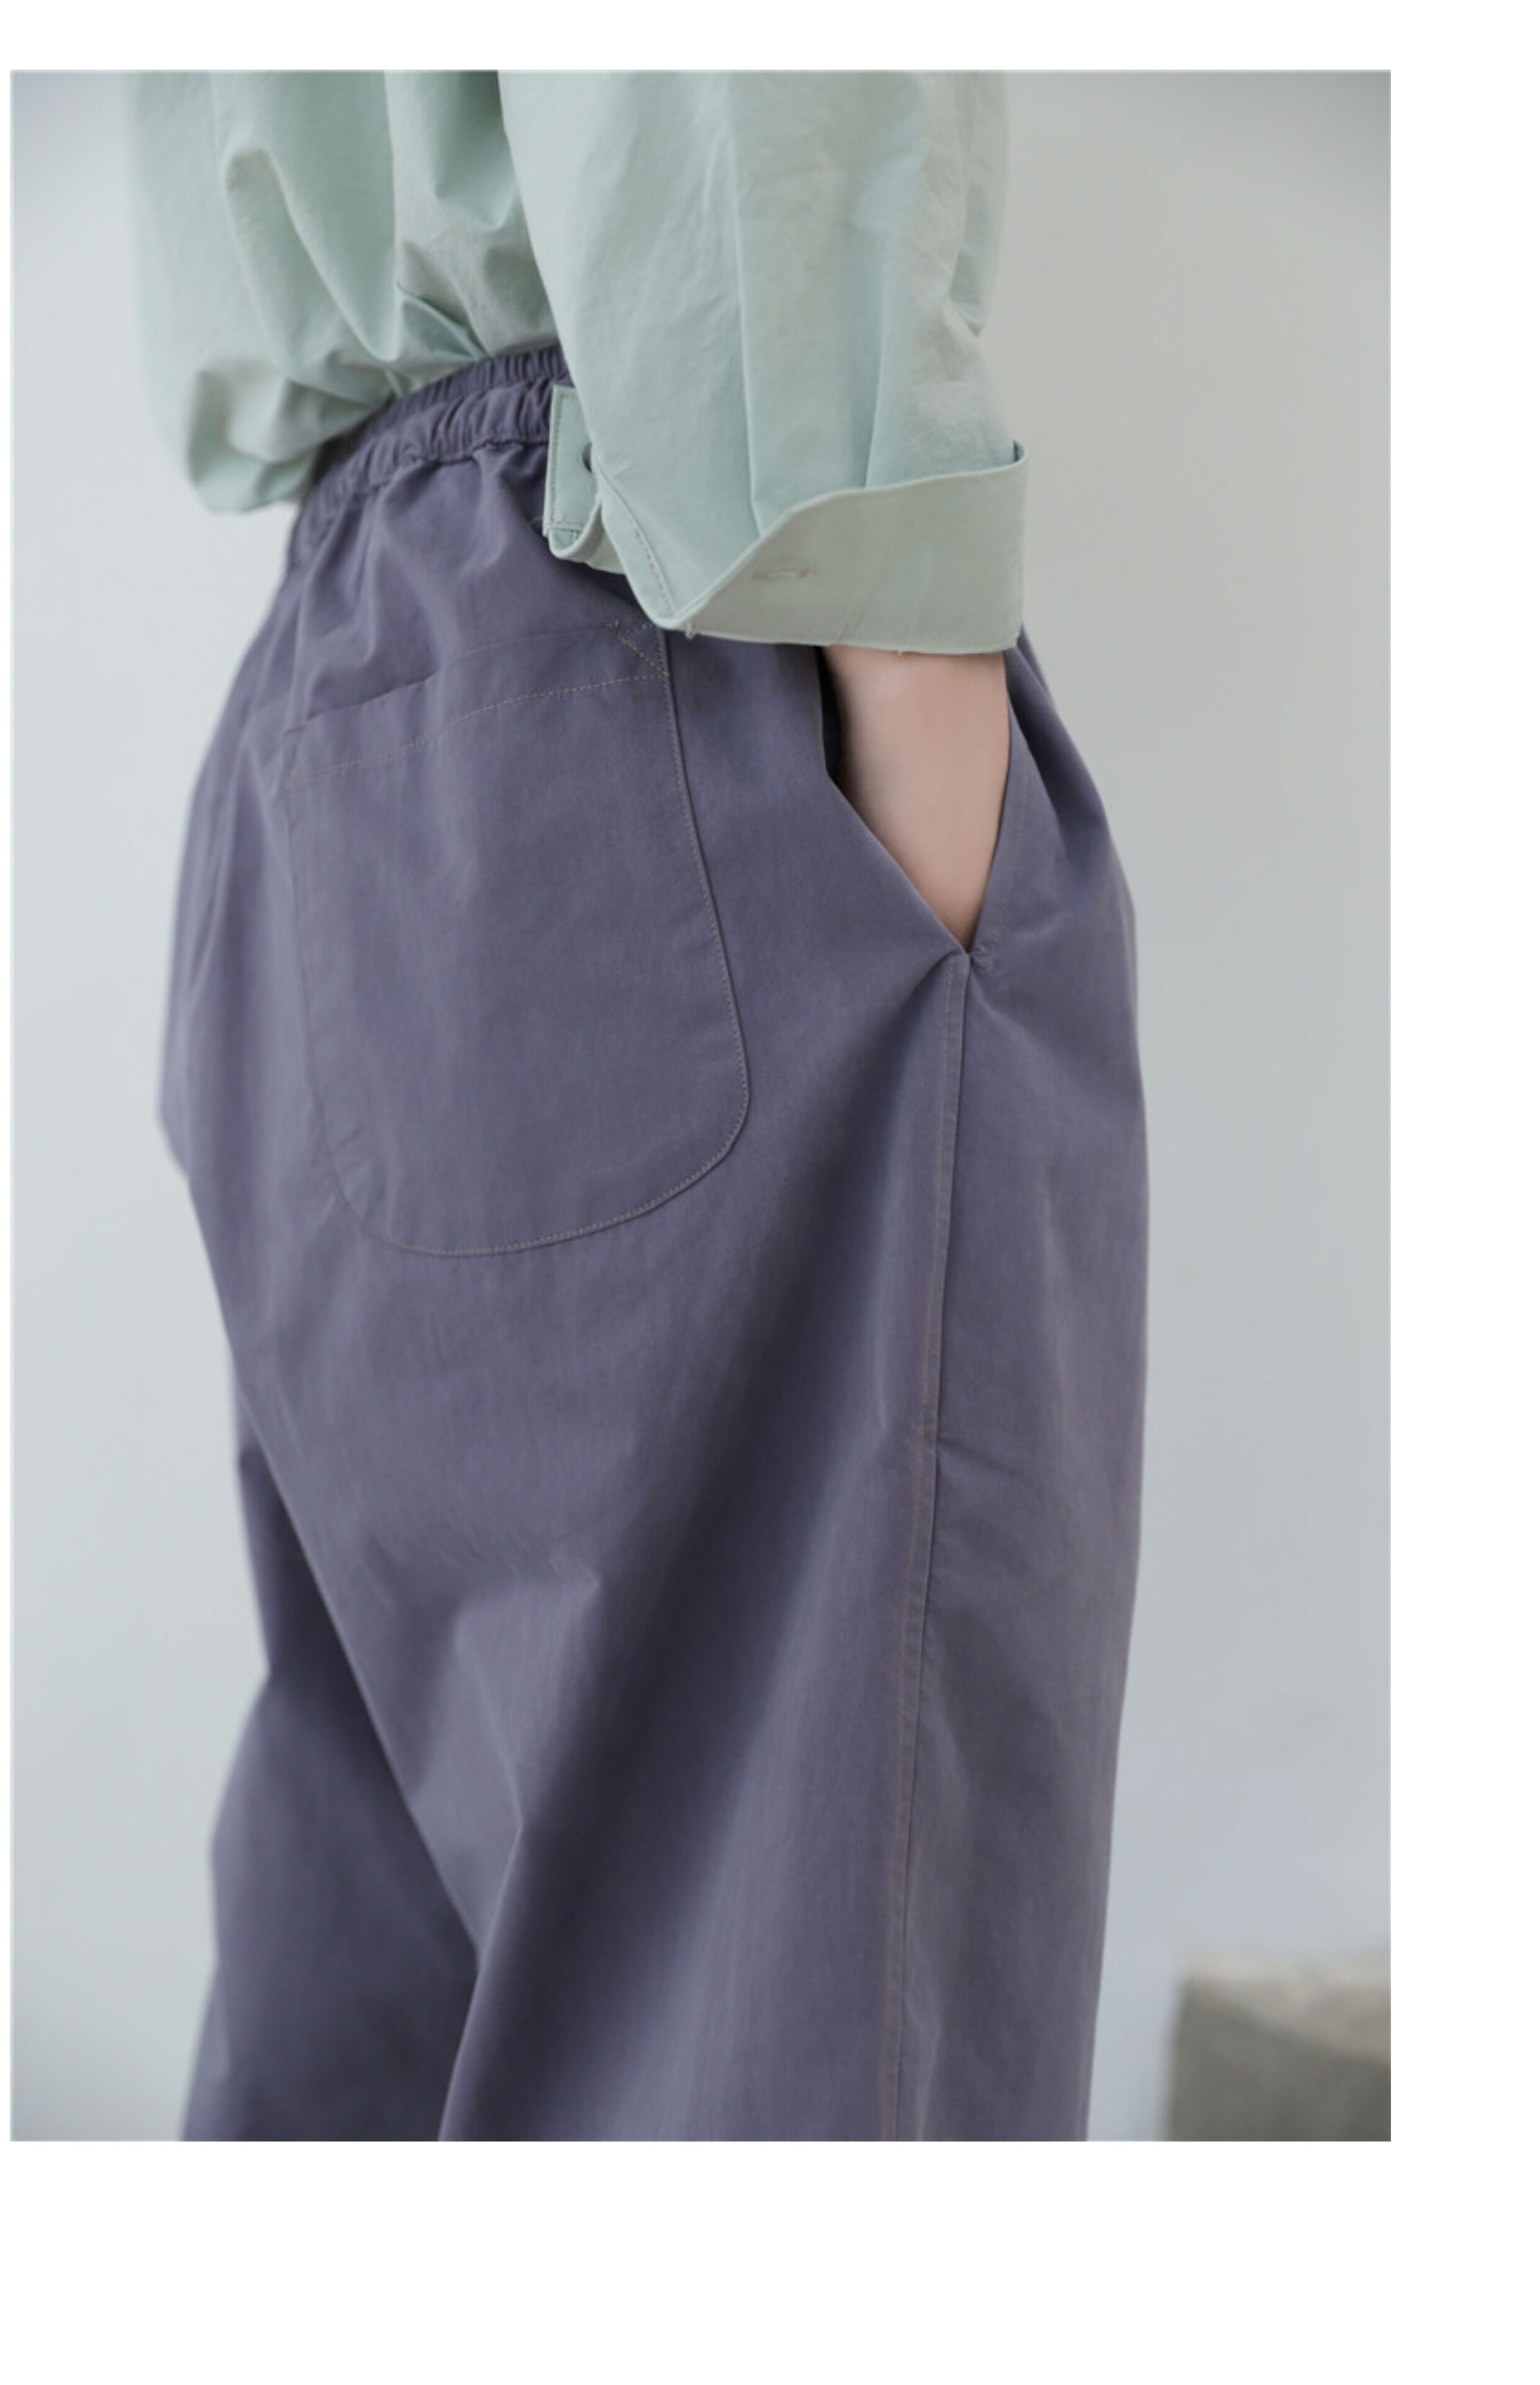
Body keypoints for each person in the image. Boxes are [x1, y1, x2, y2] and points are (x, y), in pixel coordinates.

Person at [132, 68, 1149, 2140]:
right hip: (667, 648)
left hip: (343, 697)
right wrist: (905, 654)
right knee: (800, 2027)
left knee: (382, 1994)